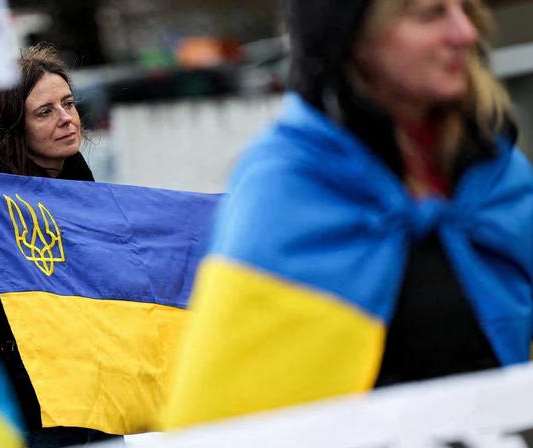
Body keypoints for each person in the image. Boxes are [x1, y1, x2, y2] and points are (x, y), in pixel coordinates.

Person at [163, 0, 533, 429]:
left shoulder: (497, 170)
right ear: (355, 39)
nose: (465, 34)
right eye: (430, 15)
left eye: (466, 11)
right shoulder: (288, 186)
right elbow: (230, 414)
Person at [0, 44, 120, 447]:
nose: (66, 119)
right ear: (16, 128)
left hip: (99, 407)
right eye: (45, 112)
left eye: (69, 104)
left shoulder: (95, 198)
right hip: (34, 417)